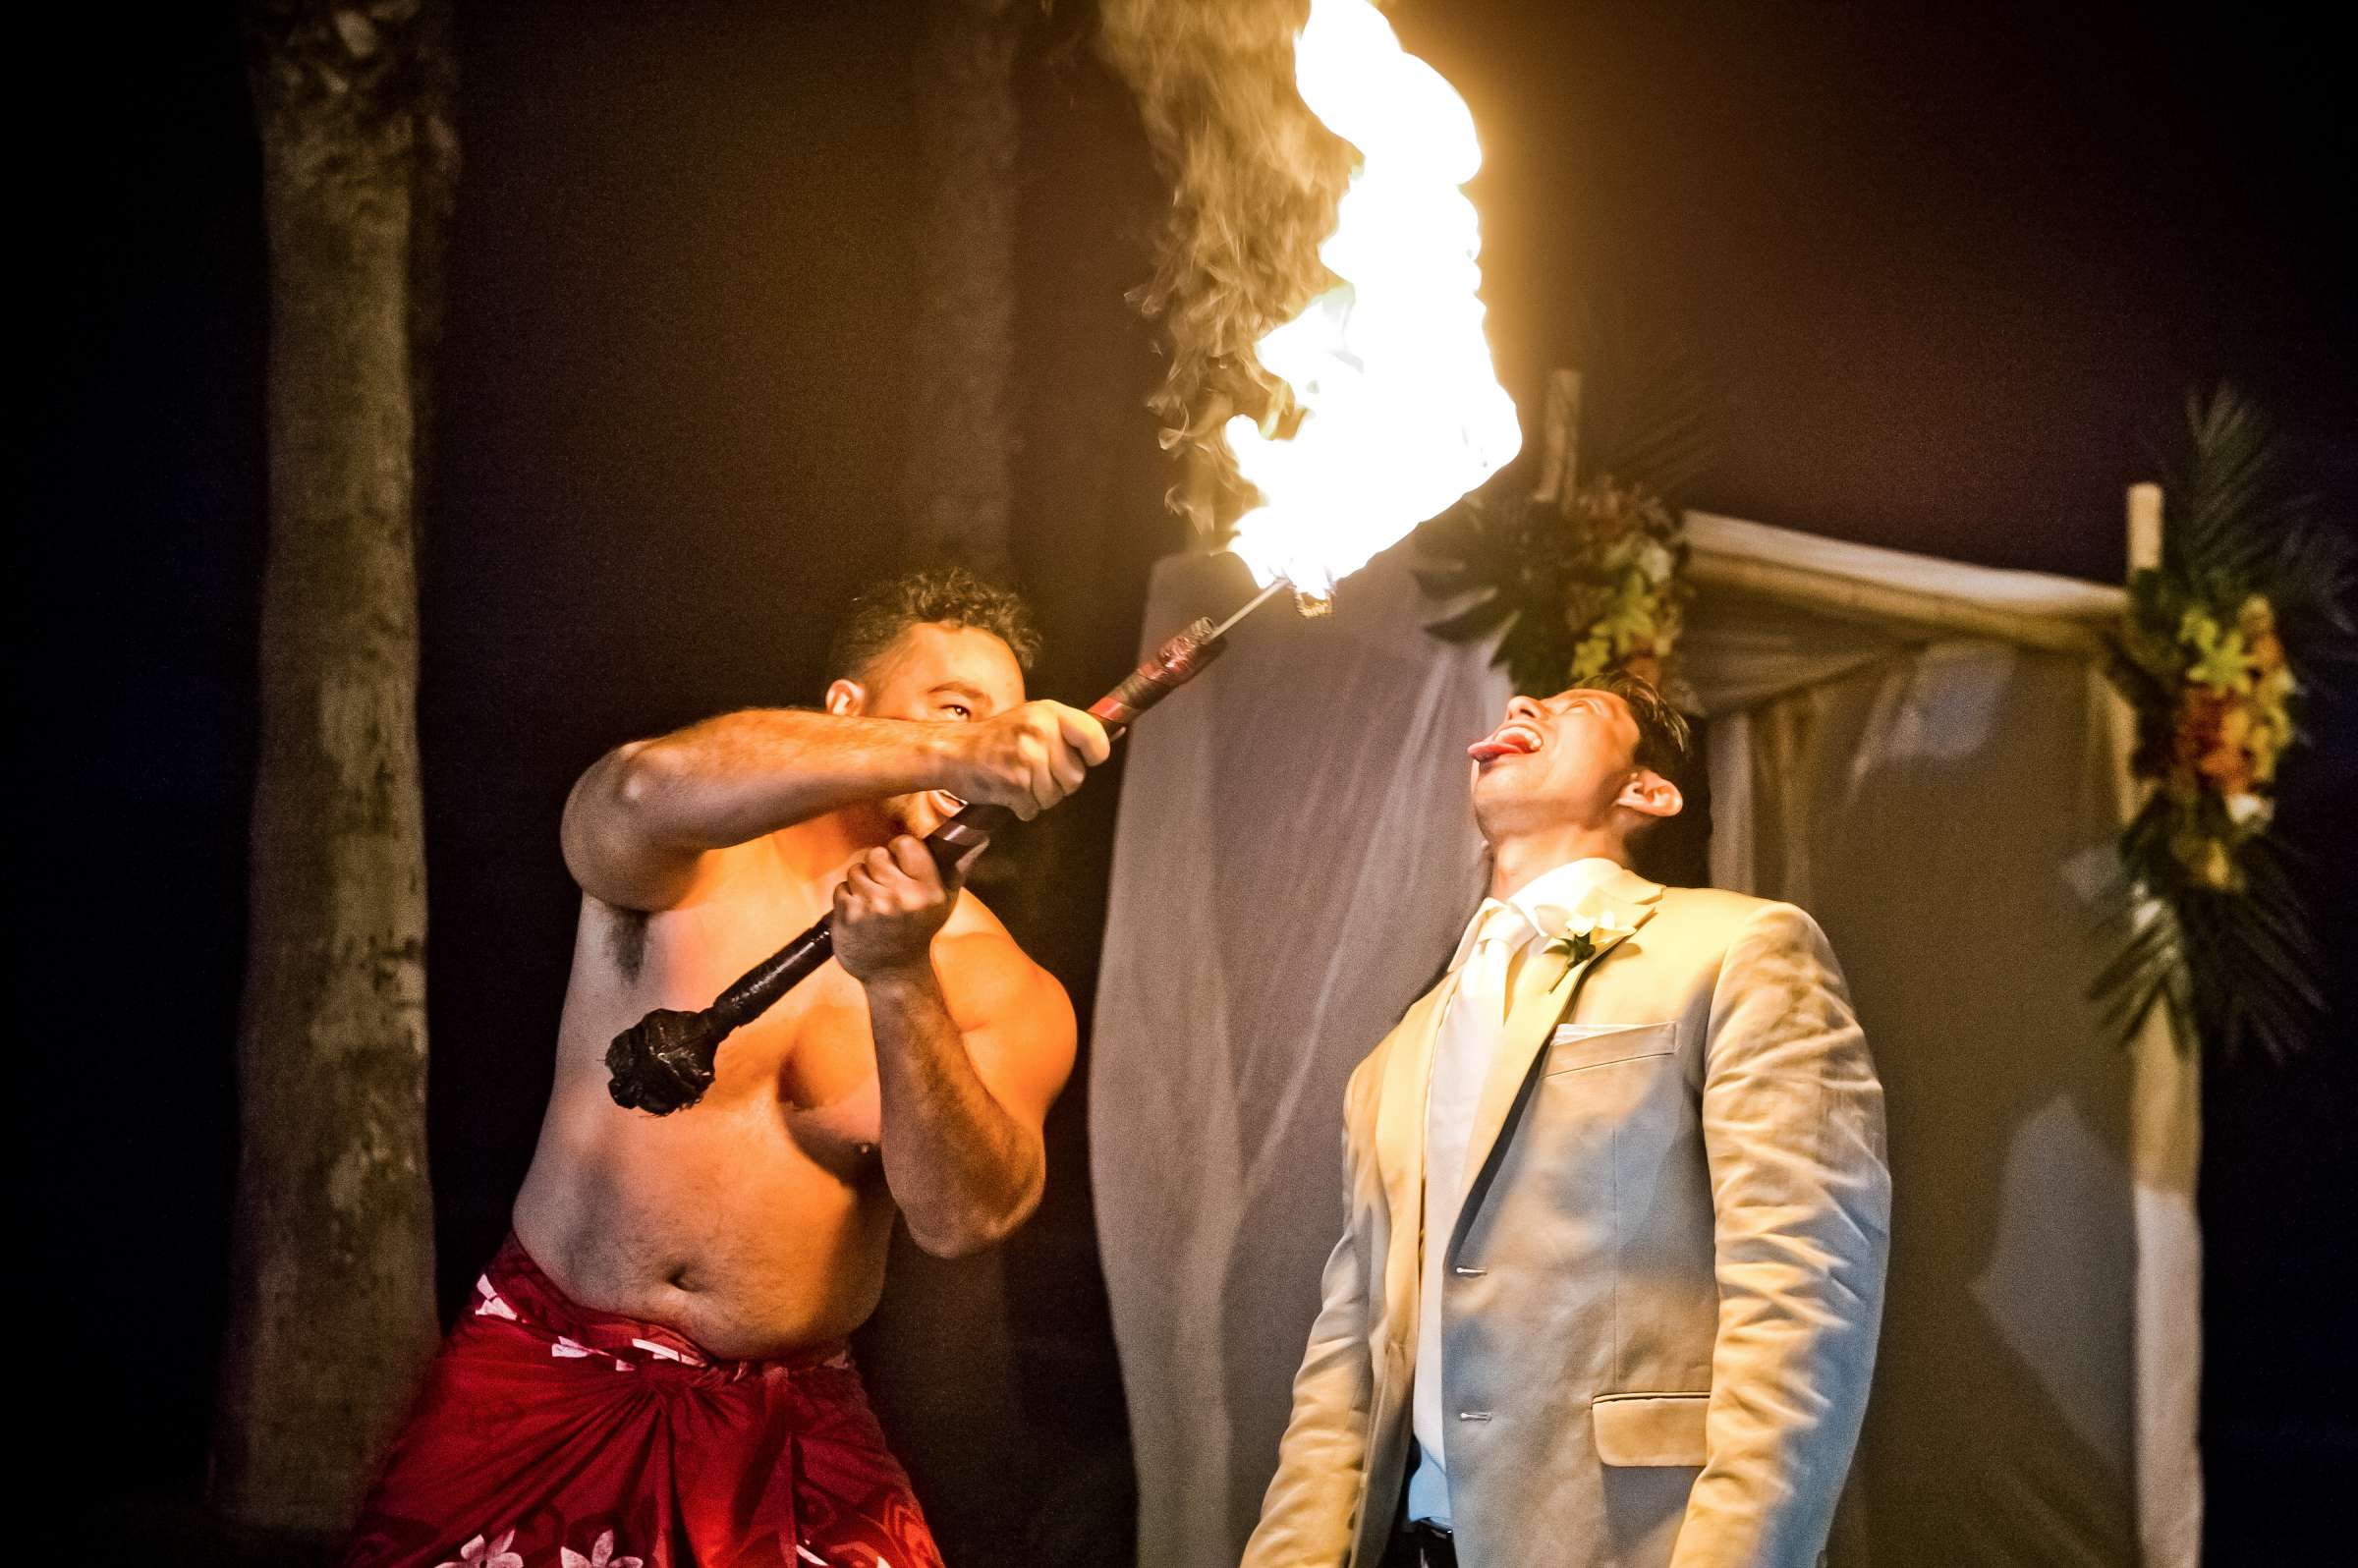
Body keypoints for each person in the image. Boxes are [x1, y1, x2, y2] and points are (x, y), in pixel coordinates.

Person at [348, 568, 1110, 1568]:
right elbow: (627, 791)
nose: (996, 744)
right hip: (544, 1368)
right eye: (957, 705)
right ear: (849, 711)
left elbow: (967, 1217)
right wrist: (954, 751)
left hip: (794, 1423)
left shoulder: (1002, 984)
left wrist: (898, 978)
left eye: (1009, 726)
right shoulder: (694, 852)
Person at [1242, 673, 1890, 1568]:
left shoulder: (1740, 950)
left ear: (1645, 791)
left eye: (1572, 708)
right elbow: (1350, 1356)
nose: (1519, 709)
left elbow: (1802, 1292)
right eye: (1519, 705)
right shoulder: (1396, 1054)